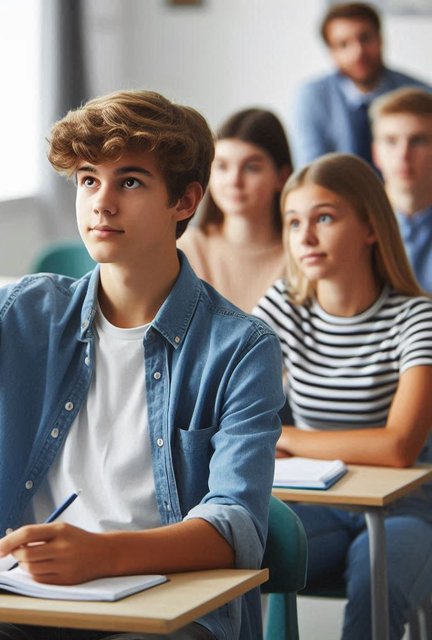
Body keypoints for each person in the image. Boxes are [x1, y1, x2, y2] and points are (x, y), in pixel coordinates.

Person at [0, 49, 284, 640]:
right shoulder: (32, 312)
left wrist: (102, 553)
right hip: (27, 605)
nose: (102, 201)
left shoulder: (241, 347)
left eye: (131, 181)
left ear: (186, 201)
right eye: (89, 180)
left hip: (171, 615)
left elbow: (234, 526)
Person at [253, 152, 432, 640]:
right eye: (293, 222)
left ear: (371, 227)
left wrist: (288, 435)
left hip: (406, 510)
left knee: (380, 585)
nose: (305, 238)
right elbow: (229, 408)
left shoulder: (417, 318)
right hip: (318, 503)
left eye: (324, 218)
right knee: (236, 556)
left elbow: (398, 449)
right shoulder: (283, 307)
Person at [177, 108, 292, 312]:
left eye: (251, 168)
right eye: (222, 166)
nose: (234, 181)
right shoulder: (186, 248)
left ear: (282, 177)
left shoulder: (301, 254)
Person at [292, 2, 430, 169]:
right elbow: (312, 170)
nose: (358, 52)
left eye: (365, 38)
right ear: (332, 52)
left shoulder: (420, 94)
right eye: (343, 44)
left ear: (380, 39)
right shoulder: (312, 97)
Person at [371, 87, 432, 291]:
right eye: (391, 141)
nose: (403, 154)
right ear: (376, 153)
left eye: (418, 140)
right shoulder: (355, 225)